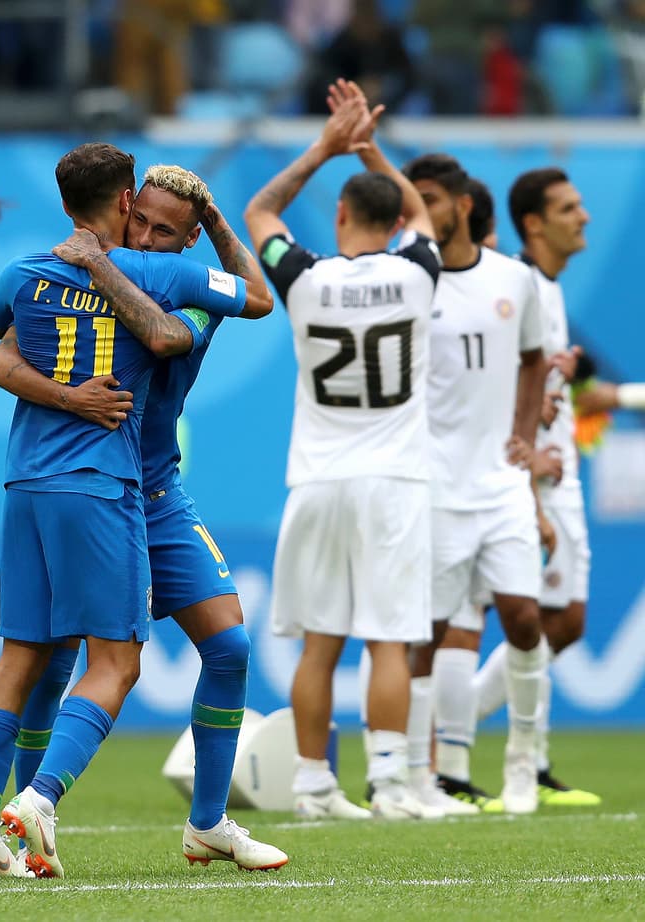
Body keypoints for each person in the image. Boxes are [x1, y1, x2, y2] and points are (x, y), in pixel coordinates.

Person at [0, 142, 251, 879]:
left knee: (227, 647)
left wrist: (108, 262)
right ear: (124, 204)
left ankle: (204, 823)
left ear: (192, 236)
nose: (145, 236)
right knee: (71, 659)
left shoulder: (159, 282)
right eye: (139, 219)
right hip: (99, 484)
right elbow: (0, 358)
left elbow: (178, 329)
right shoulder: (121, 272)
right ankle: (23, 814)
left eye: (164, 230)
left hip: (141, 492)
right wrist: (72, 396)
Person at [245, 80, 442, 820]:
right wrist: (370, 150)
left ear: (338, 215)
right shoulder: (416, 272)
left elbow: (259, 212)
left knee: (319, 642)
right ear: (394, 223)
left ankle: (311, 784)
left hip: (320, 480)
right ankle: (388, 783)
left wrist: (324, 148)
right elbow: (423, 214)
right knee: (389, 640)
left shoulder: (304, 277)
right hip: (394, 479)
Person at [393, 154, 549, 816]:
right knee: (426, 635)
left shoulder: (515, 278)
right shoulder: (407, 280)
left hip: (501, 483)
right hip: (434, 486)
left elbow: (535, 358)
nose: (420, 211)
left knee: (523, 616)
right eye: (412, 199)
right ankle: (417, 776)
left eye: (429, 198)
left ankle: (523, 762)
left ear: (462, 205)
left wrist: (524, 437)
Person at [453, 168, 603, 806]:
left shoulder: (547, 288)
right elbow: (507, 386)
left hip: (552, 472)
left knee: (557, 620)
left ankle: (514, 751)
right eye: (570, 208)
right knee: (543, 618)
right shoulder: (520, 287)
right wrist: (530, 469)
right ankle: (463, 738)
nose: (584, 216)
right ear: (534, 223)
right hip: (528, 477)